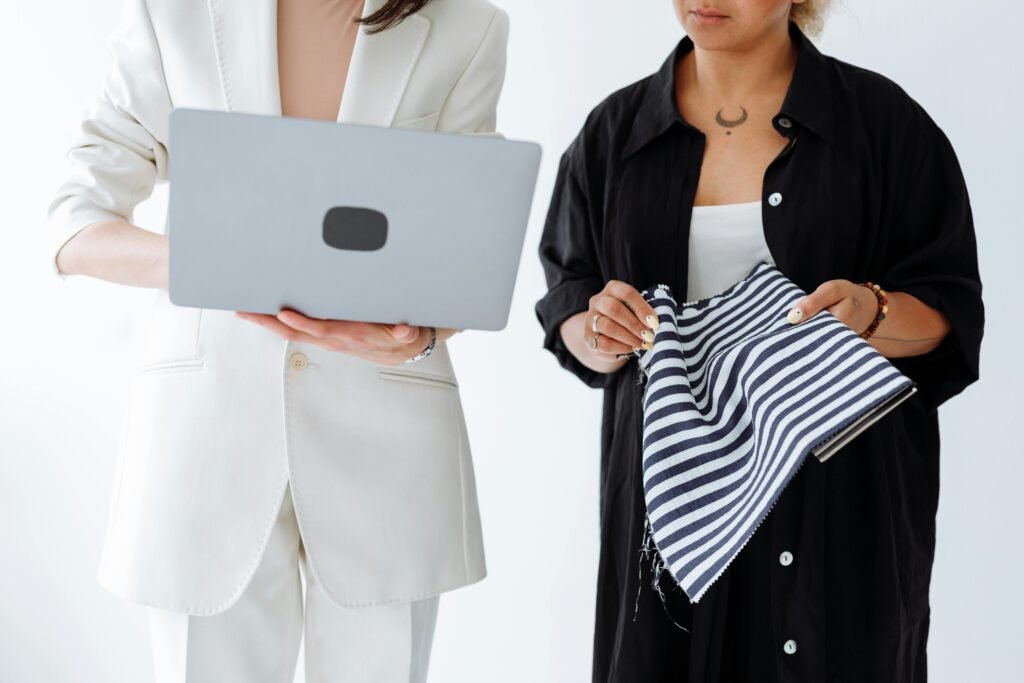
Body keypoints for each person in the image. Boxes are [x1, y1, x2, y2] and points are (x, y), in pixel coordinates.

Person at [47, 0, 508, 680]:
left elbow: (467, 250)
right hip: (204, 452)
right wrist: (220, 260)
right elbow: (73, 220)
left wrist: (419, 334)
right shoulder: (173, 14)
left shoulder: (469, 28)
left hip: (391, 456)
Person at [535, 1, 983, 681]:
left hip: (840, 510)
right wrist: (600, 331)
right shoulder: (613, 135)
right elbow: (568, 298)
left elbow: (950, 309)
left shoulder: (885, 126)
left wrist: (871, 309)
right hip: (669, 515)